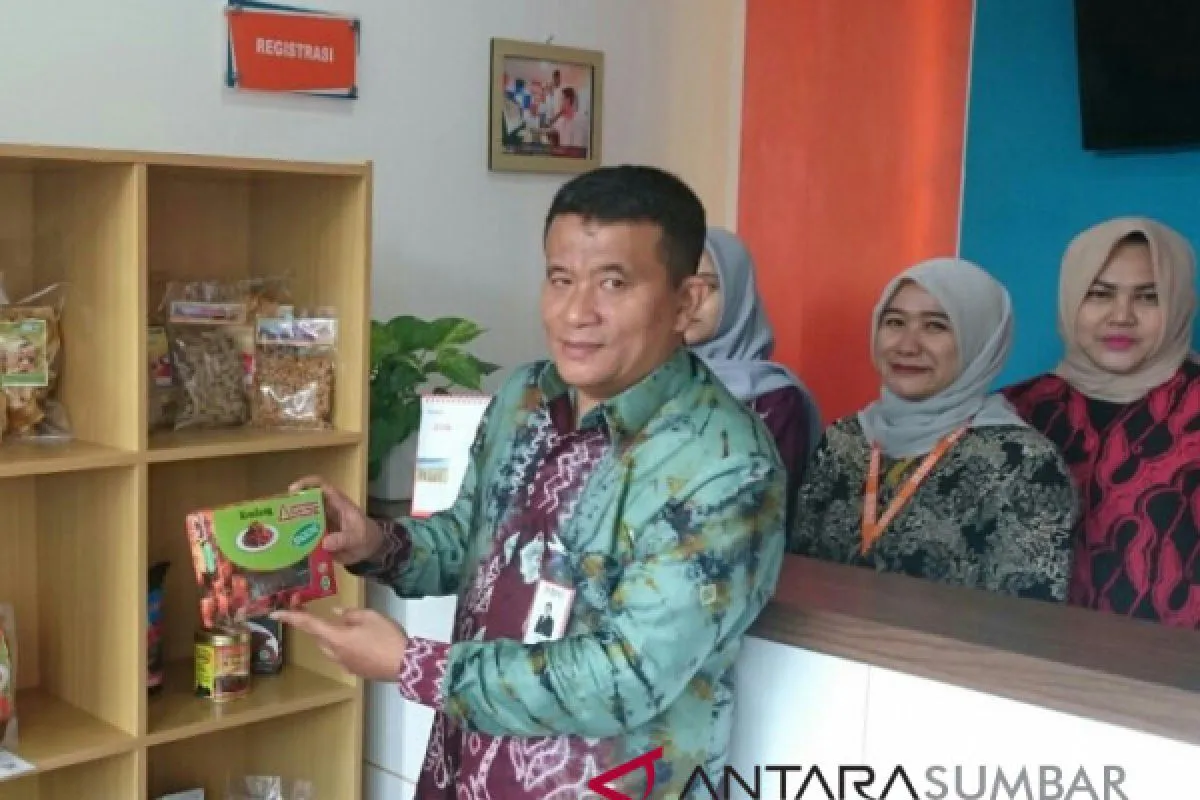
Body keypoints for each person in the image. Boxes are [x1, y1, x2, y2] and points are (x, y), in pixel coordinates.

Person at [274, 165, 787, 800]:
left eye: (614, 283)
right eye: (560, 278)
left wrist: (414, 665)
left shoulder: (728, 466)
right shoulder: (526, 396)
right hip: (465, 774)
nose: (576, 313)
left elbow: (626, 676)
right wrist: (375, 543)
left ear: (686, 303)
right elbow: (471, 542)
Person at [788, 257, 1077, 600]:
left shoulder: (1024, 463)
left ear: (979, 340)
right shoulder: (845, 439)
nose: (907, 346)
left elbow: (1025, 614)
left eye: (935, 326)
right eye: (895, 322)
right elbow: (797, 572)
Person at [1003, 216, 1200, 626]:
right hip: (1029, 654)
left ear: (1181, 304)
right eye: (1099, 294)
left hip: (1175, 662)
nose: (1121, 316)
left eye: (1148, 297)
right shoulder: (1015, 413)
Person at [685, 226, 821, 527]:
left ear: (738, 293)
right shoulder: (645, 382)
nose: (691, 301)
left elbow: (770, 507)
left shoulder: (775, 398)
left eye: (708, 286)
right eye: (680, 286)